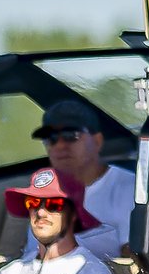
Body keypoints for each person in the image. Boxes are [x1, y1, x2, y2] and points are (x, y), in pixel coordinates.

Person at [31, 99, 136, 259]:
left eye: (70, 135)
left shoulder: (129, 188)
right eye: (50, 138)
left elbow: (132, 261)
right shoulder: (41, 195)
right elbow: (31, 257)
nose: (59, 145)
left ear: (97, 141)